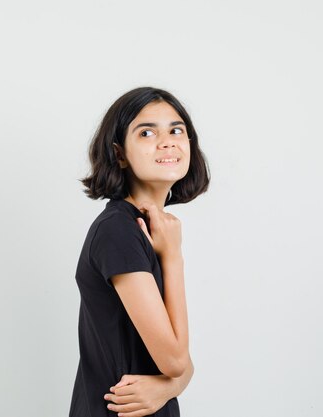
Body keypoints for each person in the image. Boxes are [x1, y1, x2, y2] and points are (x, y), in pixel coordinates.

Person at [69, 86, 210, 417]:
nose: (167, 141)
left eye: (177, 130)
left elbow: (183, 365)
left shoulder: (148, 228)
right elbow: (175, 361)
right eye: (147, 132)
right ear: (120, 154)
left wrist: (171, 384)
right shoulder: (119, 230)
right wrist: (173, 257)